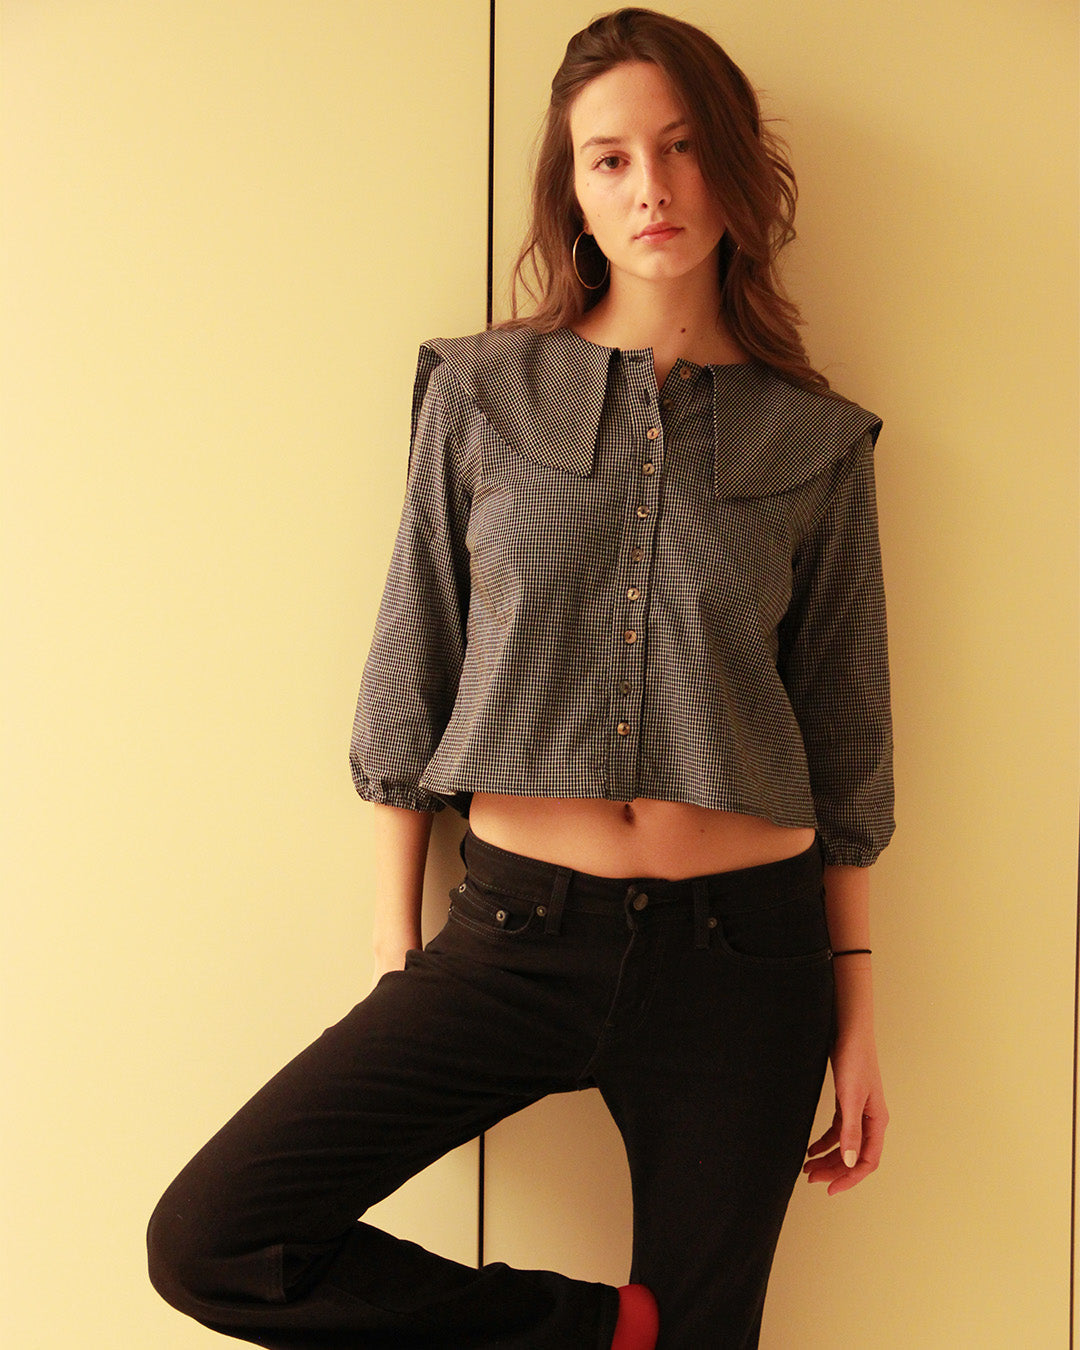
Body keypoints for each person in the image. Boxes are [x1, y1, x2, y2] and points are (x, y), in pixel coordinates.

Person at [147, 8, 893, 1348]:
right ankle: (599, 1334)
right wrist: (399, 945)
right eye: (611, 159)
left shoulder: (817, 441)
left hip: (747, 963)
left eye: (681, 147)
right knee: (217, 1237)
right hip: (515, 937)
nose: (651, 186)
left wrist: (859, 1010)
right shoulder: (482, 394)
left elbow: (846, 744)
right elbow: (411, 663)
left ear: (735, 166)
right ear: (574, 192)